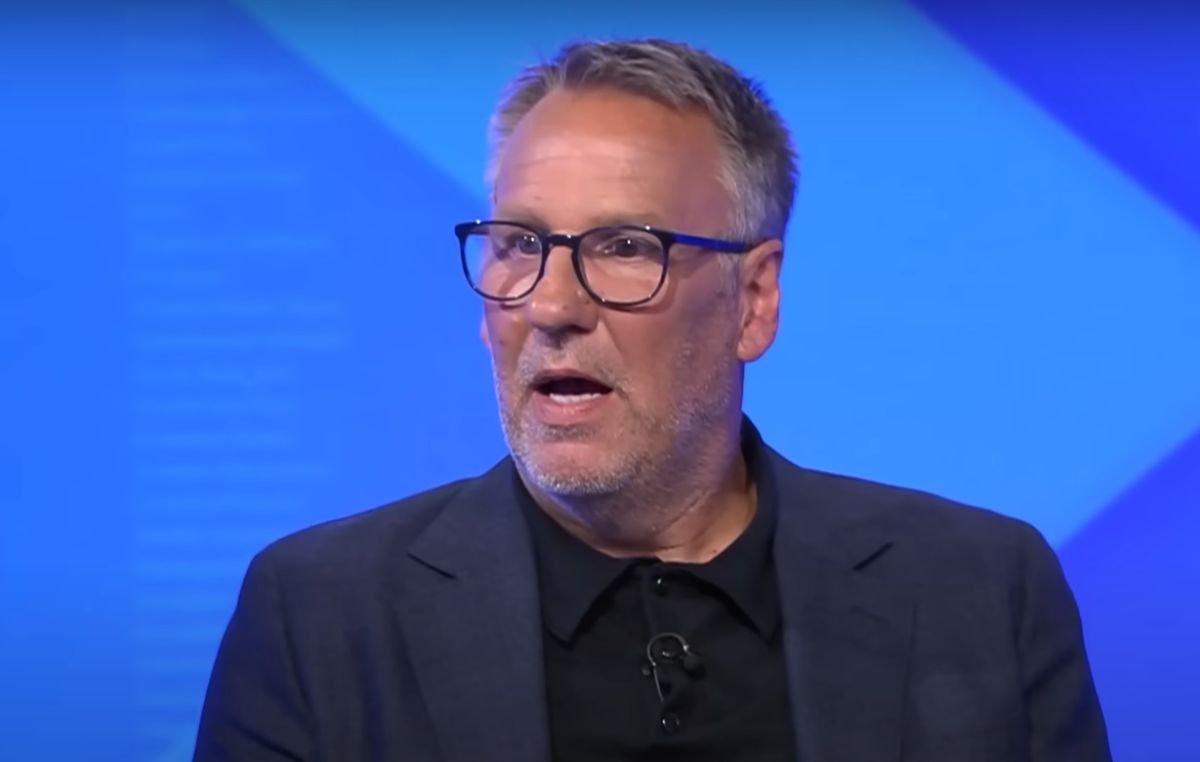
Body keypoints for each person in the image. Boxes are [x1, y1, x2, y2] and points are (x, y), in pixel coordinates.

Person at [193, 38, 1111, 761]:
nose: (550, 306)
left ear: (754, 300)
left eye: (626, 248)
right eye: (519, 244)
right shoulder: (320, 616)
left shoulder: (982, 593)